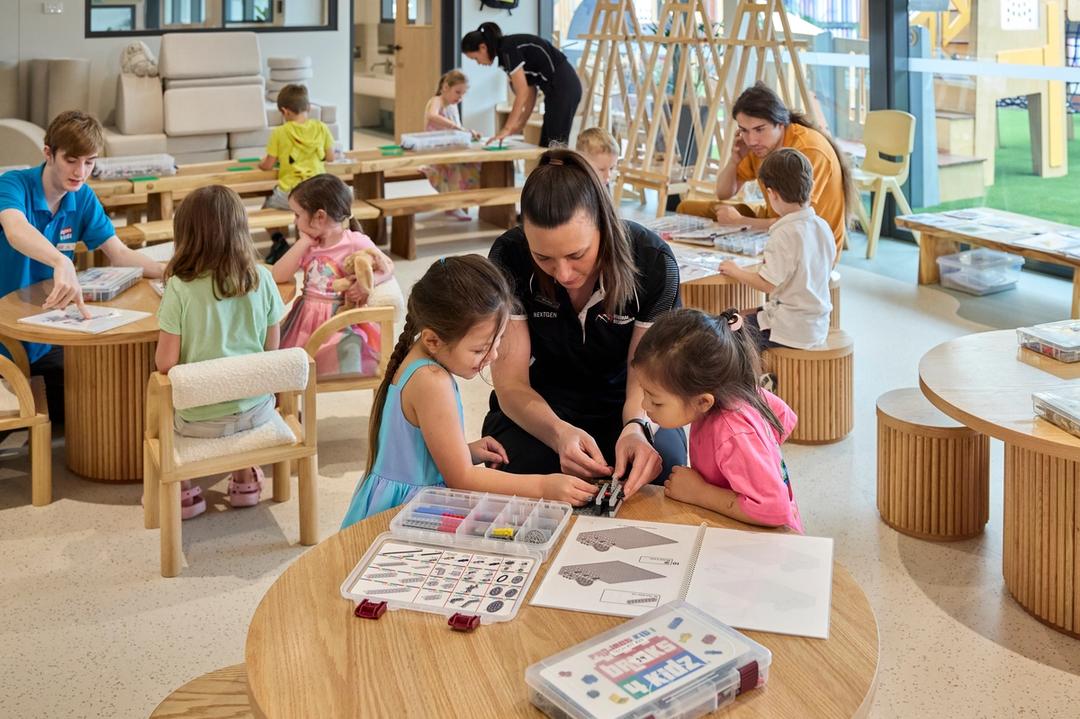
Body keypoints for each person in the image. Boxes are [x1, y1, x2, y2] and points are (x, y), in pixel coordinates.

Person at [483, 148, 686, 499]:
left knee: (665, 470)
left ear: (604, 226)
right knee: (512, 463)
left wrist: (637, 427)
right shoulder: (509, 257)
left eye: (577, 255)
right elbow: (512, 383)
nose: (562, 274)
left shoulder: (653, 261)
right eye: (543, 257)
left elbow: (650, 375)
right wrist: (558, 433)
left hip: (631, 397)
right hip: (543, 399)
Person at [341, 255, 597, 528]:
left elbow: (409, 451)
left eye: (497, 342)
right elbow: (462, 479)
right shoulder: (431, 381)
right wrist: (544, 487)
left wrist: (465, 452)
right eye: (479, 349)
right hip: (407, 513)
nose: (493, 355)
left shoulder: (418, 360)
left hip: (407, 501)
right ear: (433, 340)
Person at [0, 110, 164, 423]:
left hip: (48, 338)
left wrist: (173, 270)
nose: (81, 171)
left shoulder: (83, 197)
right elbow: (15, 229)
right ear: (49, 153)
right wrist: (61, 260)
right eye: (72, 160)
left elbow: (119, 254)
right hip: (6, 337)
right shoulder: (13, 185)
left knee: (109, 393)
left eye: (89, 162)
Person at [155, 185, 286, 519]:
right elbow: (272, 352)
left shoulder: (179, 287)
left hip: (198, 422)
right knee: (245, 388)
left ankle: (183, 489)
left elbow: (166, 364)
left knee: (159, 394)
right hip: (257, 411)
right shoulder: (264, 279)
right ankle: (244, 478)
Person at [632, 308, 803, 533]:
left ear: (703, 402)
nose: (644, 406)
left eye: (656, 401)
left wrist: (700, 492)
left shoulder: (733, 433)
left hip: (771, 543)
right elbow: (782, 416)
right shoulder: (733, 390)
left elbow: (774, 508)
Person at [677, 82, 855, 259]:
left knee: (729, 225)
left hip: (809, 242)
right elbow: (723, 193)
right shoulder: (759, 147)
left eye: (759, 129)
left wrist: (741, 222)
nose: (752, 140)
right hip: (774, 221)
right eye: (744, 131)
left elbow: (797, 221)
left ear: (780, 123)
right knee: (687, 207)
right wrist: (734, 160)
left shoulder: (808, 150)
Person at [271, 174, 395, 378]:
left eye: (297, 214)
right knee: (285, 366)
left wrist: (368, 285)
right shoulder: (309, 244)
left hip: (339, 321)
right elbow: (278, 275)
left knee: (333, 356)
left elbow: (387, 267)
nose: (294, 220)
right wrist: (302, 244)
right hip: (304, 319)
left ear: (319, 217)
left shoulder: (356, 242)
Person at [718, 148, 834, 351]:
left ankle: (754, 380)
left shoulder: (784, 233)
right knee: (742, 315)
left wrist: (735, 271)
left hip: (790, 329)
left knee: (726, 329)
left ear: (772, 194)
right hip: (816, 323)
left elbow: (767, 284)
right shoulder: (822, 225)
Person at [461, 22, 582, 148]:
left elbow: (522, 92)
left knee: (555, 145)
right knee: (546, 145)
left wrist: (507, 128)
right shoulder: (505, 56)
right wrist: (521, 123)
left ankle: (562, 168)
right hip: (555, 90)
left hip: (564, 86)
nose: (479, 63)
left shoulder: (507, 49)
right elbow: (530, 90)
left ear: (483, 48)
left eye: (476, 58)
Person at [259, 83, 336, 263]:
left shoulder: (280, 132)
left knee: (266, 209)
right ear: (308, 107)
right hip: (319, 192)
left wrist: (261, 164)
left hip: (290, 193)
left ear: (285, 111)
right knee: (308, 212)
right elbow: (330, 157)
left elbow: (268, 164)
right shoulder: (321, 127)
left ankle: (279, 241)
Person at [423, 70, 482, 221]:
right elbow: (432, 115)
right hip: (435, 152)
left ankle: (465, 201)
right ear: (445, 88)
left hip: (450, 150)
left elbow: (458, 130)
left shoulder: (453, 106)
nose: (460, 97)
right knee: (454, 167)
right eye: (457, 92)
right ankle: (453, 204)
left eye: (463, 94)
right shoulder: (437, 101)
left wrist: (469, 133)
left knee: (476, 164)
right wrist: (455, 126)